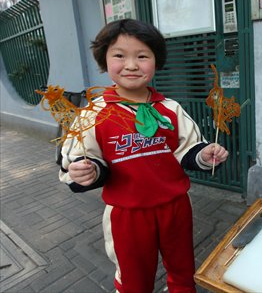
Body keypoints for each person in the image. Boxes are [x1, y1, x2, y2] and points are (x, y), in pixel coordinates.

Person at [59, 19, 228, 292]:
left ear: (156, 61)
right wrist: (85, 171)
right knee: (134, 278)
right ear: (104, 59)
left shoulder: (170, 107)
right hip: (127, 214)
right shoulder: (93, 113)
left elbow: (188, 148)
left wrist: (206, 154)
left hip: (175, 206)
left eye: (142, 56)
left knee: (183, 270)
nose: (132, 65)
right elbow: (79, 160)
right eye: (119, 55)